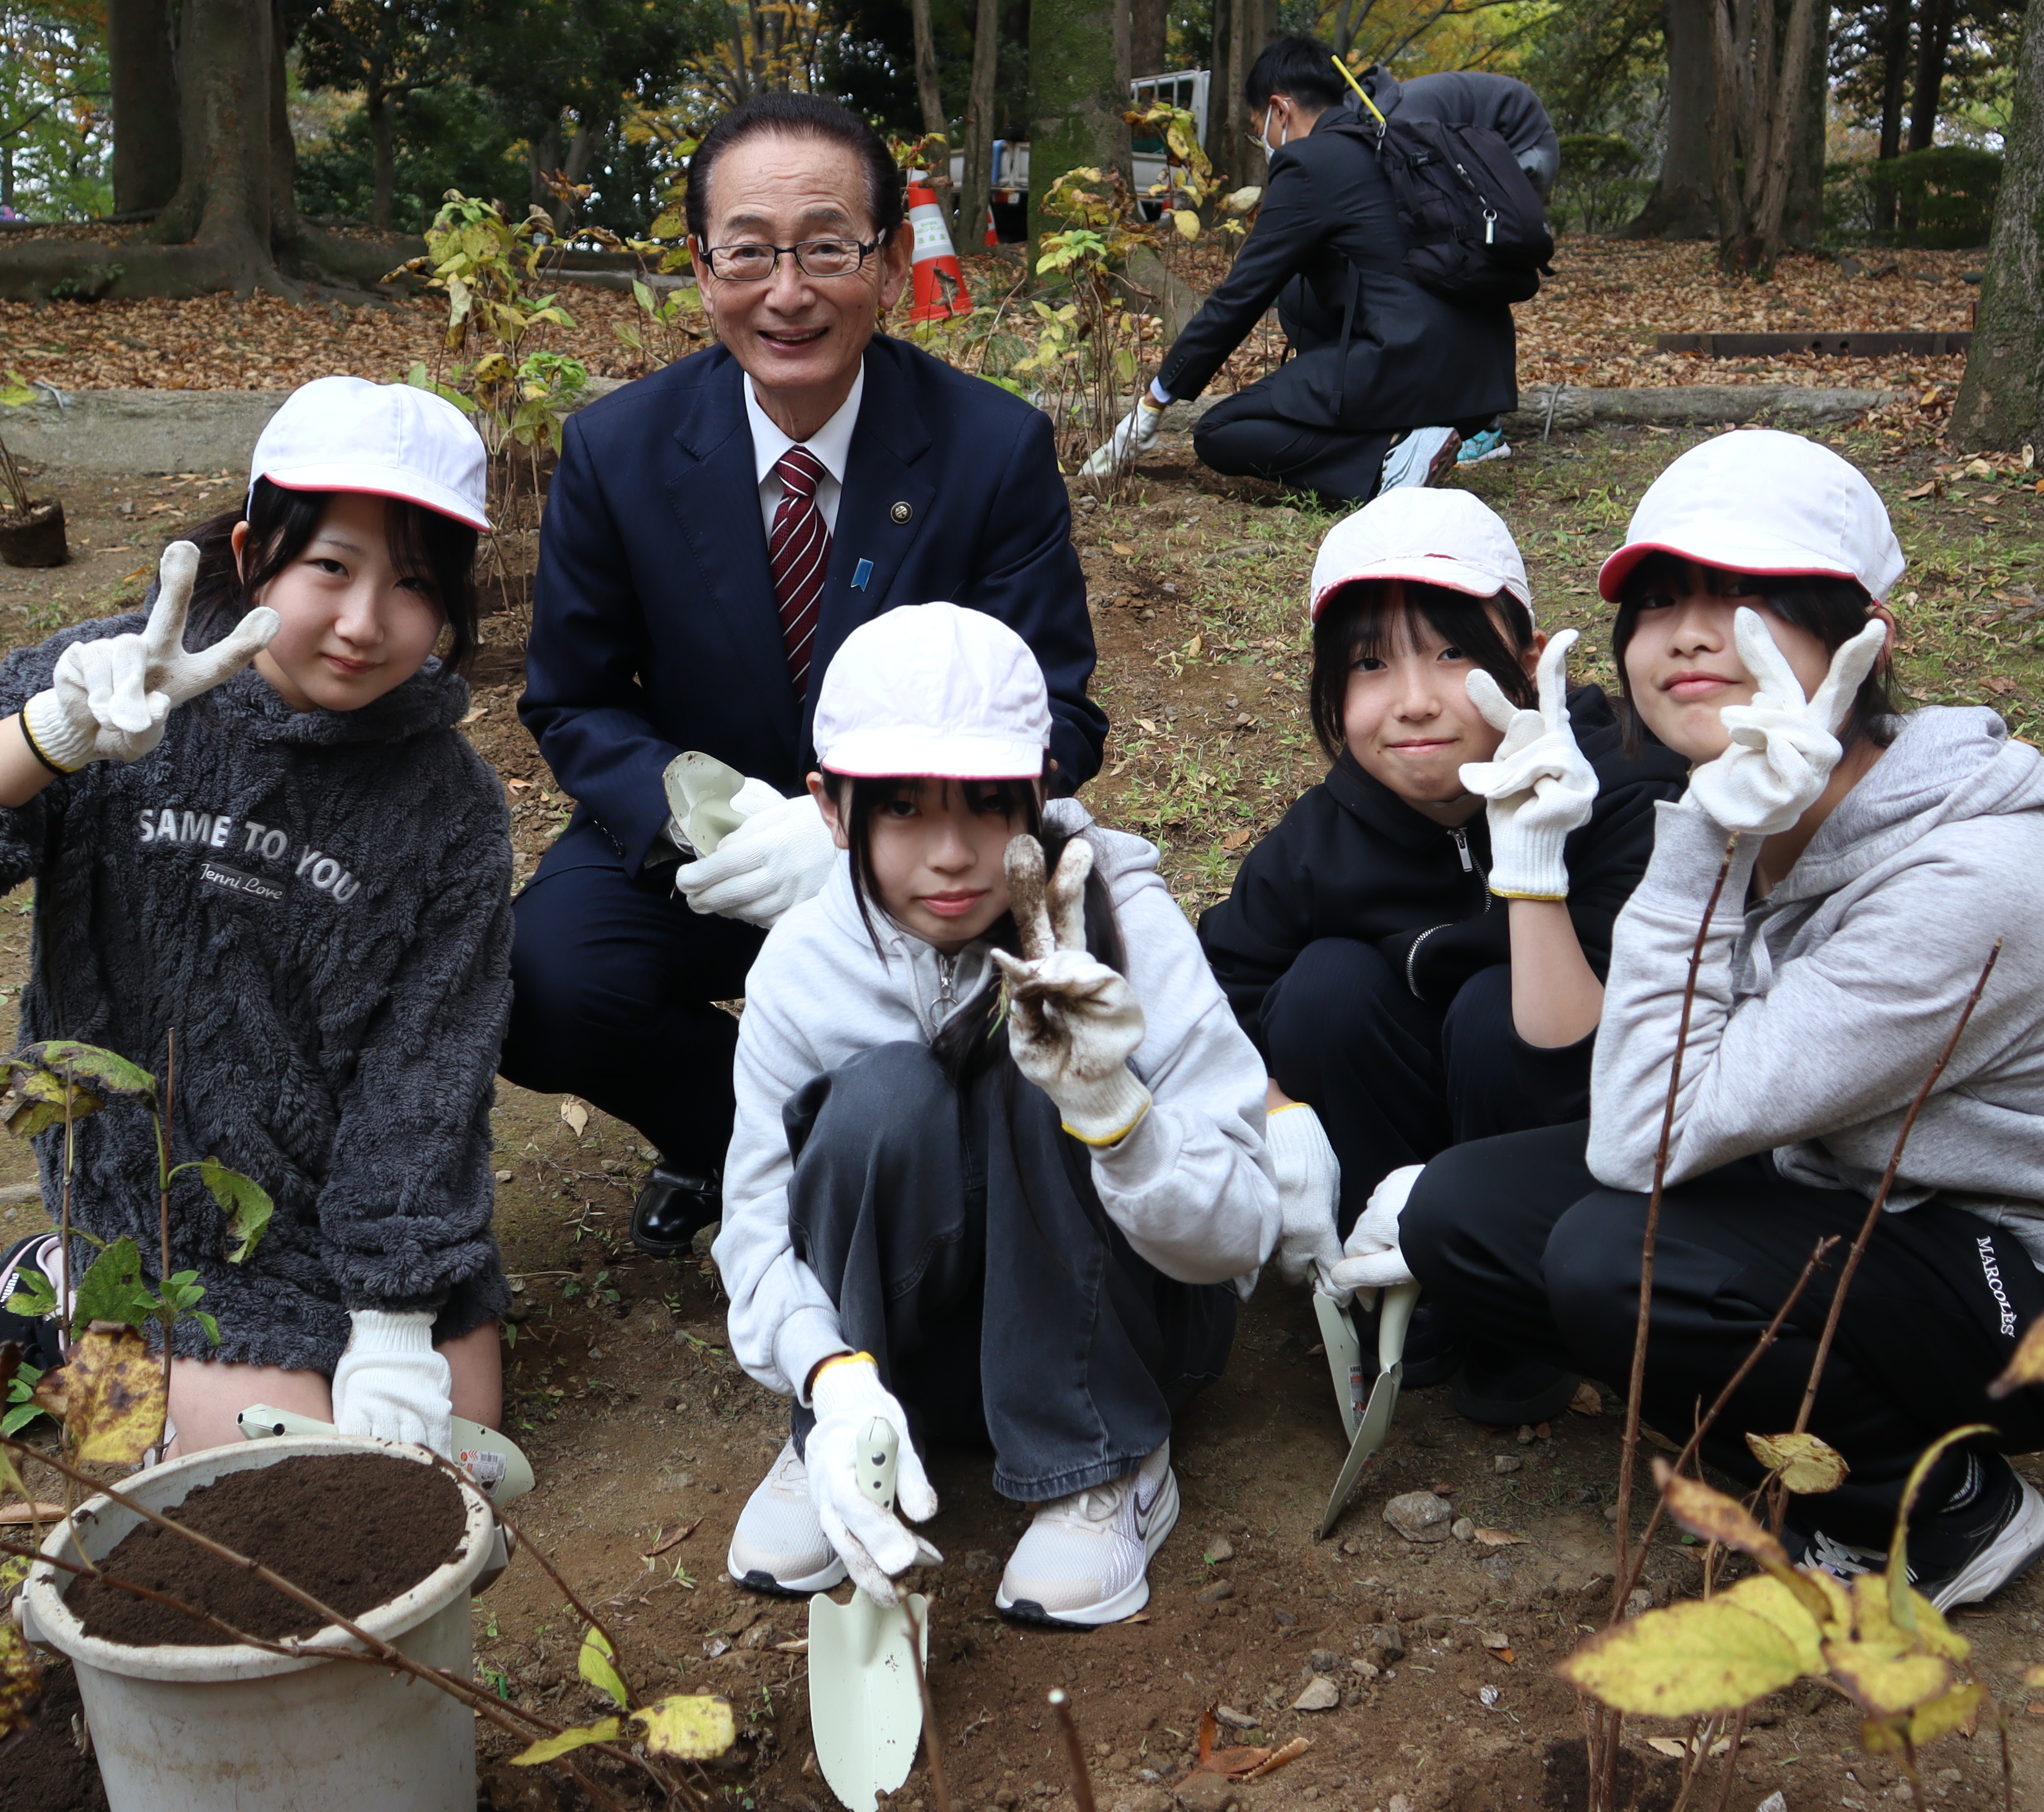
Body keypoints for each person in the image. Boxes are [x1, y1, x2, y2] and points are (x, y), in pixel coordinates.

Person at [1327, 430, 2044, 1609]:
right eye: (1663, 602)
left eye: (1748, 601)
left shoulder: (1976, 880)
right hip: (1864, 1194)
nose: (1690, 633)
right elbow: (1649, 1102)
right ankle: (1792, 1420)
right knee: (1461, 1213)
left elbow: (1641, 1140)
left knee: (1610, 1260)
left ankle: (1937, 1512)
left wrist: (1698, 846)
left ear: (1862, 642)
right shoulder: (1754, 810)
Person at [0, 378, 514, 1461]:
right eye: (330, 566)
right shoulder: (116, 683)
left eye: (414, 584)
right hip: (162, 1204)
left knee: (459, 1450)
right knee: (293, 1466)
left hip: (345, 1205)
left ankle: (248, 1350)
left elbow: (426, 1075)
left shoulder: (451, 806)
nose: (363, 622)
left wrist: (391, 1315)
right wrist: (51, 732)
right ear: (253, 551)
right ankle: (55, 1300)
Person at [512, 89, 1106, 1260]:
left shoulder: (990, 448)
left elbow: (1060, 708)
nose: (788, 292)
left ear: (888, 263)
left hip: (926, 846)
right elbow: (571, 697)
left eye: (828, 247)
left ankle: (921, 1155)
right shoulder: (618, 449)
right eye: (750, 253)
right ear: (702, 269)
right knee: (538, 979)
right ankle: (740, 1141)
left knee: (992, 1023)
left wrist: (852, 831)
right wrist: (724, 817)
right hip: (714, 850)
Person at [710, 605, 1273, 1628]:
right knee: (878, 1094)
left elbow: (1243, 1224)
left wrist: (1119, 1115)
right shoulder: (800, 964)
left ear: (1043, 791)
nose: (955, 853)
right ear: (833, 810)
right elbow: (755, 1221)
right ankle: (846, 1437)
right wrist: (824, 1374)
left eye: (985, 805)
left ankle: (1100, 1458)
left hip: (1134, 1327)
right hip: (913, 1347)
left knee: (1033, 1064)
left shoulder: (1128, 923)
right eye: (906, 810)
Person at [1197, 487, 1680, 1422]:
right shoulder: (1325, 835)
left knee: (1496, 1004)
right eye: (1370, 664)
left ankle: (1518, 1311)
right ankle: (1395, 1291)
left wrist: (1534, 866)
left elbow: (1624, 1046)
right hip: (1400, 1132)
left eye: (1455, 652)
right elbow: (1207, 991)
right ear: (1332, 691)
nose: (1414, 700)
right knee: (1325, 989)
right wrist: (1276, 1108)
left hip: (1565, 1140)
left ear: (1531, 660)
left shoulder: (1624, 788)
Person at [1081, 36, 1550, 503]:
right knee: (1301, 294)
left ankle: (1391, 458)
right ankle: (1408, 432)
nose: (1261, 140)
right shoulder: (1389, 140)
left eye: (1257, 127)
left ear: (1280, 109)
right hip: (1480, 378)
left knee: (1222, 430)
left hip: (1411, 361)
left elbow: (1242, 296)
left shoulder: (1310, 163)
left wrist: (1155, 400)